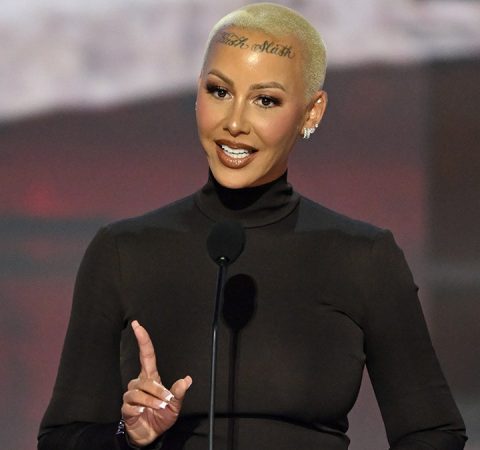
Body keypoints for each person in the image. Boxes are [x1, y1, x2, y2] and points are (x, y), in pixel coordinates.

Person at [38, 3, 467, 449]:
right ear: (197, 91)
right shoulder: (123, 252)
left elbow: (433, 432)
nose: (235, 123)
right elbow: (60, 439)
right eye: (220, 91)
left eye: (266, 100)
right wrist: (129, 437)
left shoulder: (363, 258)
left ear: (312, 112)